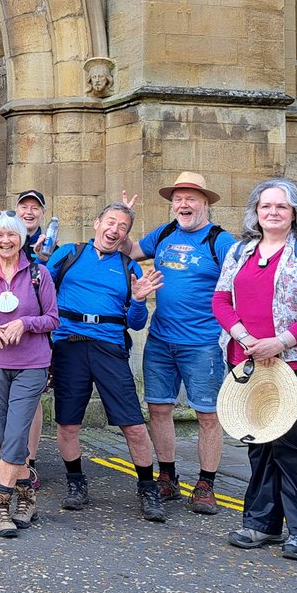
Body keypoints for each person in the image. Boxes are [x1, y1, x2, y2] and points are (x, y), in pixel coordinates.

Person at [213, 179, 297, 562]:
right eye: (266, 206)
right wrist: (244, 337)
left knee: (294, 446)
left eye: (281, 207)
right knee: (259, 444)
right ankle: (261, 523)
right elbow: (220, 299)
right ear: (255, 212)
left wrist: (280, 342)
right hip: (249, 362)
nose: (273, 212)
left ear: (294, 212)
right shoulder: (240, 250)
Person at [46, 202, 166, 522]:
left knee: (134, 425)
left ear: (126, 234)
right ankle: (76, 484)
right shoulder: (69, 252)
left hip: (110, 347)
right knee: (68, 423)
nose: (114, 230)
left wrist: (139, 300)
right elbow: (41, 287)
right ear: (97, 222)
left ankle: (147, 488)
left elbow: (137, 323)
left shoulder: (130, 267)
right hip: (68, 345)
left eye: (122, 227)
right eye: (110, 222)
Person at [125, 172, 236, 514]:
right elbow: (129, 249)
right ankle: (168, 478)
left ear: (205, 203)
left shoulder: (221, 240)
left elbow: (239, 286)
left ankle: (205, 484)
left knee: (208, 416)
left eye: (190, 198)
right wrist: (125, 219)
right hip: (160, 339)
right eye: (178, 199)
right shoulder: (165, 233)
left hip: (203, 343)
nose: (183, 204)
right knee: (159, 409)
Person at [0, 211, 58, 537]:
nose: (5, 241)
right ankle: (26, 496)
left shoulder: (38, 274)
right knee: (6, 435)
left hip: (31, 363)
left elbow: (52, 318)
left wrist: (25, 323)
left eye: (11, 235)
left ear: (22, 237)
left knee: (17, 433)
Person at [4, 189, 56, 487]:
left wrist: (43, 259)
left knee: (32, 400)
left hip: (34, 335)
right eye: (24, 206)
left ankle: (28, 462)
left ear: (42, 213)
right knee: (0, 401)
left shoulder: (54, 248)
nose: (29, 211)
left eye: (35, 207)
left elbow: (53, 295)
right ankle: (6, 460)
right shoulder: (2, 241)